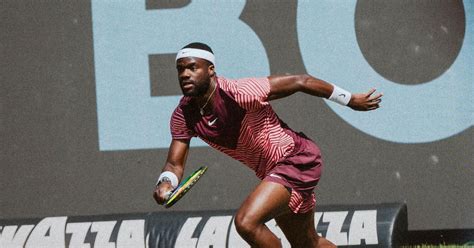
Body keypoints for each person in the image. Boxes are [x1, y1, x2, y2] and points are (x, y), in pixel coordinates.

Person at [153, 42, 383, 247]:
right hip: (274, 173)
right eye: (180, 69)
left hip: (296, 158)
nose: (185, 74)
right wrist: (165, 183)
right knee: (307, 243)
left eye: (192, 67)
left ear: (211, 69)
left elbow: (300, 81)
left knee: (246, 221)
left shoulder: (240, 92)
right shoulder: (183, 116)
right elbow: (174, 165)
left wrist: (350, 99)